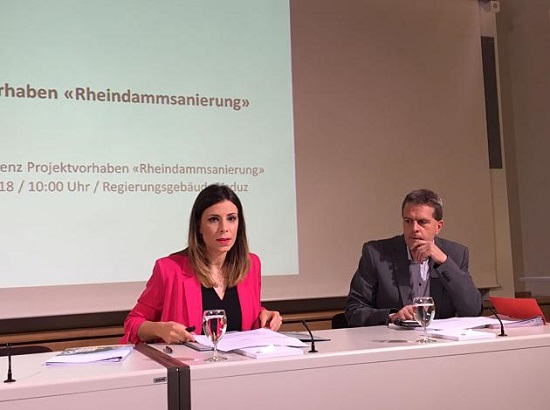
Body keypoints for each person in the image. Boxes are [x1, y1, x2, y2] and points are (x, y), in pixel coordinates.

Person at [121, 184, 282, 344]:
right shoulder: (169, 269)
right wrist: (160, 329)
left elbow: (244, 313)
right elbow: (133, 322)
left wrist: (265, 315)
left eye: (231, 218)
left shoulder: (251, 265)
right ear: (199, 226)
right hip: (188, 360)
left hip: (240, 360)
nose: (224, 228)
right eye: (214, 220)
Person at [345, 189, 482, 327]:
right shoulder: (375, 254)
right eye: (408, 221)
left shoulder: (456, 254)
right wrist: (392, 317)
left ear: (438, 227)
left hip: (439, 338)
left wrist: (443, 262)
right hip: (393, 337)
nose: (414, 228)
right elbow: (354, 311)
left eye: (422, 222)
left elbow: (473, 310)